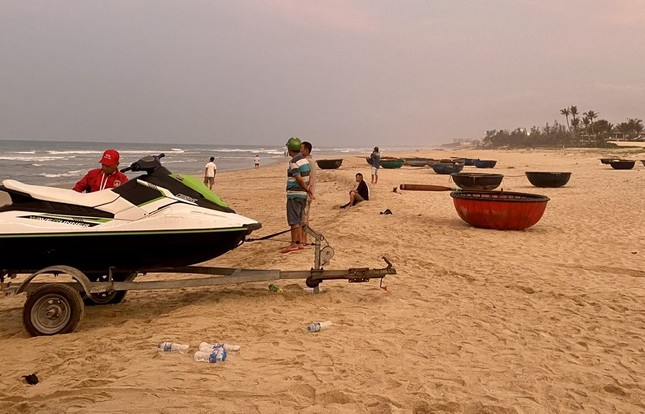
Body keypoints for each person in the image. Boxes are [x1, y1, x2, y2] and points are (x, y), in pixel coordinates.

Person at [281, 137, 312, 254]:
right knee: (299, 219)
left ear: (290, 149)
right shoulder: (305, 160)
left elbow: (298, 178)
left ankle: (294, 243)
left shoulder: (294, 162)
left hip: (295, 194)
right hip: (302, 195)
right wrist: (307, 189)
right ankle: (299, 243)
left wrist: (305, 188)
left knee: (293, 220)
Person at [300, 141, 315, 246]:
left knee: (303, 218)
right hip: (309, 193)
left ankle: (304, 240)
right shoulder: (311, 161)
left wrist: (309, 192)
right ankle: (304, 239)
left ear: (306, 150)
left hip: (307, 193)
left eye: (301, 148)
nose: (300, 150)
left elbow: (309, 178)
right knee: (305, 217)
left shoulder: (307, 162)